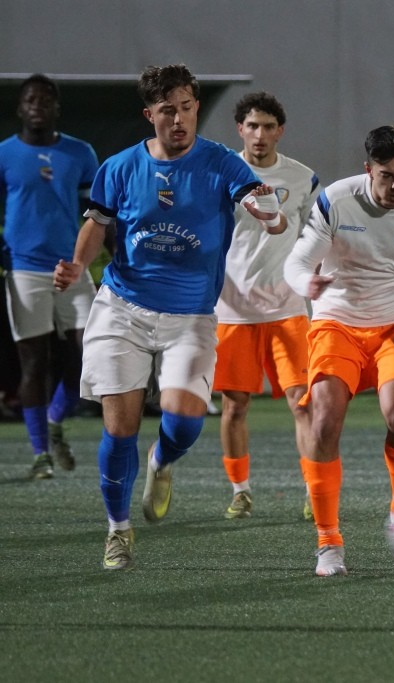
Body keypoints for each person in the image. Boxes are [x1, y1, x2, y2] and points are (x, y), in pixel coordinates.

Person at [53, 64, 286, 571]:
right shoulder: (119, 167)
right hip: (123, 308)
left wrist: (271, 214)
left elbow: (264, 207)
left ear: (196, 108)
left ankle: (161, 460)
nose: (178, 120)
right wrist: (76, 264)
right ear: (149, 115)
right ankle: (118, 530)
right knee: (120, 429)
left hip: (191, 315)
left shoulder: (222, 163)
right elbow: (97, 222)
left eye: (186, 108)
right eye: (167, 111)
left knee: (183, 423)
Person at [283, 125, 394, 577]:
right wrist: (306, 282)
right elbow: (297, 262)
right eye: (386, 175)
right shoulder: (336, 201)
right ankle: (328, 542)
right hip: (337, 323)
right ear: (368, 169)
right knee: (324, 422)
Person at [214, 92, 320, 520]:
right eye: (252, 126)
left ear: (280, 131)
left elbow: (318, 237)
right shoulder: (223, 173)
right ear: (240, 129)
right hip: (233, 308)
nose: (260, 134)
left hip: (287, 308)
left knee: (303, 403)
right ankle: (240, 491)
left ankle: (315, 489)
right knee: (235, 405)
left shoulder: (303, 178)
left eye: (268, 126)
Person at [0, 74, 99, 479]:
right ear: (20, 108)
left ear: (57, 107)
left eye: (45, 100)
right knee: (34, 363)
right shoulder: (5, 154)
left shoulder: (80, 153)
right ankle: (41, 453)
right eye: (30, 100)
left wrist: (112, 257)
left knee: (91, 354)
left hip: (72, 267)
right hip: (24, 268)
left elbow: (98, 215)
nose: (37, 106)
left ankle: (56, 420)